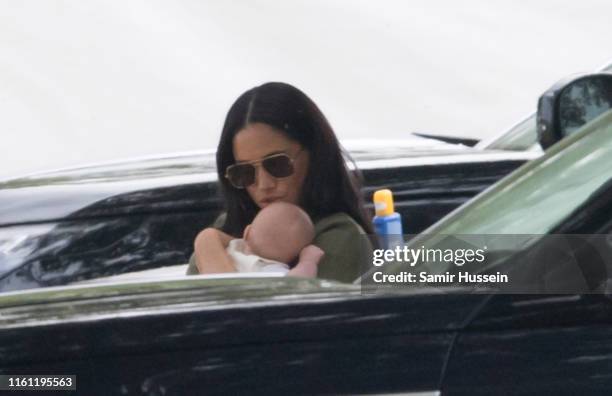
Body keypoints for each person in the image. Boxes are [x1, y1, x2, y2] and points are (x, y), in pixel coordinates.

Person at [186, 82, 373, 283]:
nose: (264, 184)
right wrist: (207, 240)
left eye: (277, 164)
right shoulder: (226, 226)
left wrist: (209, 247)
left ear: (315, 155)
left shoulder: (340, 236)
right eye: (245, 172)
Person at [194, 202, 324, 277]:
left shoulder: (229, 248)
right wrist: (308, 261)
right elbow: (297, 283)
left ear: (246, 232)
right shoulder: (270, 270)